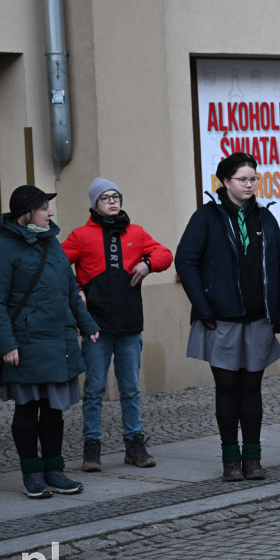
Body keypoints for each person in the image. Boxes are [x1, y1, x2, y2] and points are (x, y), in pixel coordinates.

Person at [175, 152, 280, 481]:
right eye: (243, 179)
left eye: (254, 179)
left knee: (251, 389)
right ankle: (230, 460)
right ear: (225, 182)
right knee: (227, 389)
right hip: (220, 320)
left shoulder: (265, 219)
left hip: (257, 319)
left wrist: (279, 312)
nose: (250, 184)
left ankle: (252, 458)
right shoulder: (207, 217)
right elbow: (185, 260)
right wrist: (204, 306)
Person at [0, 186, 100, 499]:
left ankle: (54, 470)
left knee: (53, 411)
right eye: (44, 208)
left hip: (58, 342)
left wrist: (87, 325)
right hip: (24, 345)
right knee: (27, 410)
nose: (50, 213)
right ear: (26, 214)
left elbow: (70, 291)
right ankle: (31, 473)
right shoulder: (0, 249)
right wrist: (7, 345)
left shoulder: (53, 244)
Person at [62, 178, 174, 472]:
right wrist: (77, 288)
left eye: (116, 197)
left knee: (130, 389)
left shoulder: (135, 233)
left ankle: (134, 445)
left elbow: (165, 254)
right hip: (95, 327)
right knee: (94, 390)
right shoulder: (81, 236)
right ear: (94, 204)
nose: (113, 202)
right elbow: (57, 264)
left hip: (129, 325)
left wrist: (148, 264)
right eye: (106, 198)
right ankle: (92, 448)